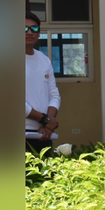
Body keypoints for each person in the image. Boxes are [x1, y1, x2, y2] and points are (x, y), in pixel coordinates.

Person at [25, 11, 61, 153]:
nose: (29, 32)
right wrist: (46, 119)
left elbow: (54, 95)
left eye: (34, 29)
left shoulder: (44, 59)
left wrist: (48, 124)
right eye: (24, 28)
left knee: (44, 175)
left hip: (44, 133)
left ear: (39, 33)